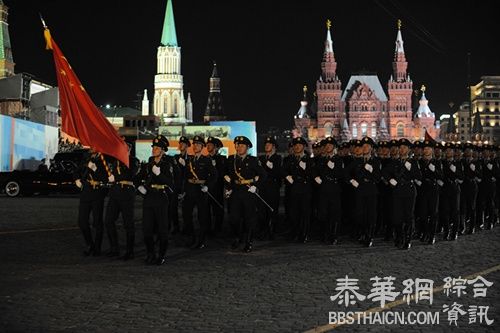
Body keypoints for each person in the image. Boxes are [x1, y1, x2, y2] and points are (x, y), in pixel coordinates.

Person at [137, 135, 175, 265]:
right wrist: (139, 187)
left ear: (163, 150)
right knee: (147, 229)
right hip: (149, 198)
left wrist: (159, 175)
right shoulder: (149, 163)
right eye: (153, 147)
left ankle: (161, 255)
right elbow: (138, 177)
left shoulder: (167, 164)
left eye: (157, 148)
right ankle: (150, 253)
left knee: (162, 229)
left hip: (161, 198)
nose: (154, 149)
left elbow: (171, 182)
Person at [225, 136, 266, 252]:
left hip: (248, 192)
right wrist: (228, 186)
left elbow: (263, 175)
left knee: (249, 218)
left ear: (247, 147)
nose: (239, 148)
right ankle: (238, 237)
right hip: (236, 192)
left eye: (242, 146)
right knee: (234, 218)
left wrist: (255, 186)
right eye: (237, 145)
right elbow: (228, 176)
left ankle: (249, 241)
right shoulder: (231, 159)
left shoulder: (253, 160)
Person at [382, 138, 421, 249]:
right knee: (397, 216)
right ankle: (399, 237)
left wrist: (410, 169)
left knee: (408, 216)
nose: (402, 149)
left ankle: (408, 239)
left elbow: (418, 176)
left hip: (409, 190)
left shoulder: (413, 162)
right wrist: (390, 180)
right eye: (400, 147)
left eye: (404, 147)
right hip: (397, 190)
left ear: (409, 150)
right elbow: (384, 172)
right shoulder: (395, 162)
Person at [104, 144, 140, 260]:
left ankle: (130, 251)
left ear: (129, 149)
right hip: (115, 193)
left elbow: (131, 174)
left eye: (125, 148)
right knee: (108, 220)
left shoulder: (133, 161)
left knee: (128, 223)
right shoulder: (116, 161)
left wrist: (116, 178)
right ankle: (114, 248)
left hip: (126, 193)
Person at [180, 136, 217, 249]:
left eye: (198, 144)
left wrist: (207, 186)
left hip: (201, 190)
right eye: (194, 144)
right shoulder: (189, 160)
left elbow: (215, 175)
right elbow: (185, 177)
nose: (196, 146)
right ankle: (191, 238)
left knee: (202, 216)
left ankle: (201, 240)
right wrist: (183, 191)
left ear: (202, 147)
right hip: (190, 189)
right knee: (186, 215)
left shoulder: (206, 160)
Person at [345, 137, 381, 247]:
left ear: (371, 148)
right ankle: (362, 233)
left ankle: (369, 236)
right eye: (363, 146)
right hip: (359, 190)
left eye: (367, 146)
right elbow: (345, 172)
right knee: (360, 214)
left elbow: (378, 178)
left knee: (370, 214)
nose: (364, 148)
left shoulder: (375, 161)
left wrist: (371, 171)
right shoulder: (357, 161)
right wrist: (351, 181)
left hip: (371, 190)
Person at [74, 148, 109, 256]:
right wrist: (76, 179)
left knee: (97, 222)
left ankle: (97, 247)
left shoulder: (104, 159)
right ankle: (90, 244)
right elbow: (77, 170)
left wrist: (95, 169)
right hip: (86, 193)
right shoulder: (86, 157)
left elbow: (106, 178)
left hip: (97, 193)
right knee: (82, 221)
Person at [282, 137, 314, 243]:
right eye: (295, 145)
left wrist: (305, 169)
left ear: (304, 147)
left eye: (299, 145)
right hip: (293, 189)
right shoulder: (290, 159)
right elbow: (283, 170)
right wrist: (287, 177)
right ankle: (295, 232)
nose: (297, 147)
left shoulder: (309, 159)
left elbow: (312, 174)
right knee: (294, 213)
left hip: (305, 189)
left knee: (305, 213)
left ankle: (304, 233)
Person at [314, 137, 344, 245]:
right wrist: (316, 177)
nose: (328, 147)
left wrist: (333, 169)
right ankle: (325, 234)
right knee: (323, 213)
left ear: (334, 147)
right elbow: (315, 171)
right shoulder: (321, 159)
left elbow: (340, 174)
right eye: (326, 146)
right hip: (323, 188)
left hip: (334, 188)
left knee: (334, 214)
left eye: (330, 145)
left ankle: (334, 235)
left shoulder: (338, 160)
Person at [257, 136, 282, 240]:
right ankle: (263, 230)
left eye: (269, 144)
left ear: (274, 147)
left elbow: (277, 172)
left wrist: (268, 167)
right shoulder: (262, 158)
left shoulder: (277, 158)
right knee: (262, 211)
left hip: (272, 187)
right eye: (266, 145)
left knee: (272, 210)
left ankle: (272, 231)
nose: (266, 146)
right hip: (262, 187)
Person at [206, 137, 227, 235]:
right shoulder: (205, 159)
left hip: (218, 188)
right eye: (207, 144)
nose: (208, 146)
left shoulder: (222, 159)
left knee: (218, 209)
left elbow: (223, 174)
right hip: (206, 189)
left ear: (216, 147)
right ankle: (207, 228)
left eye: (210, 145)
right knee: (206, 211)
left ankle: (218, 229)